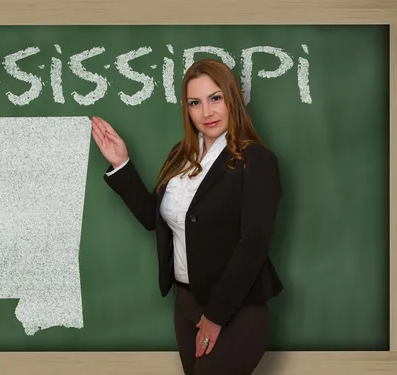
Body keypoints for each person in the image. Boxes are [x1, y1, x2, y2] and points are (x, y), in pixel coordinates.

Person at [91, 58, 284, 375]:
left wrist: (216, 316)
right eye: (195, 103)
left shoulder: (256, 160)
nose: (206, 112)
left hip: (234, 309)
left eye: (215, 98)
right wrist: (122, 164)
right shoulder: (180, 157)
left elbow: (253, 244)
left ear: (232, 99)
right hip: (186, 305)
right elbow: (156, 220)